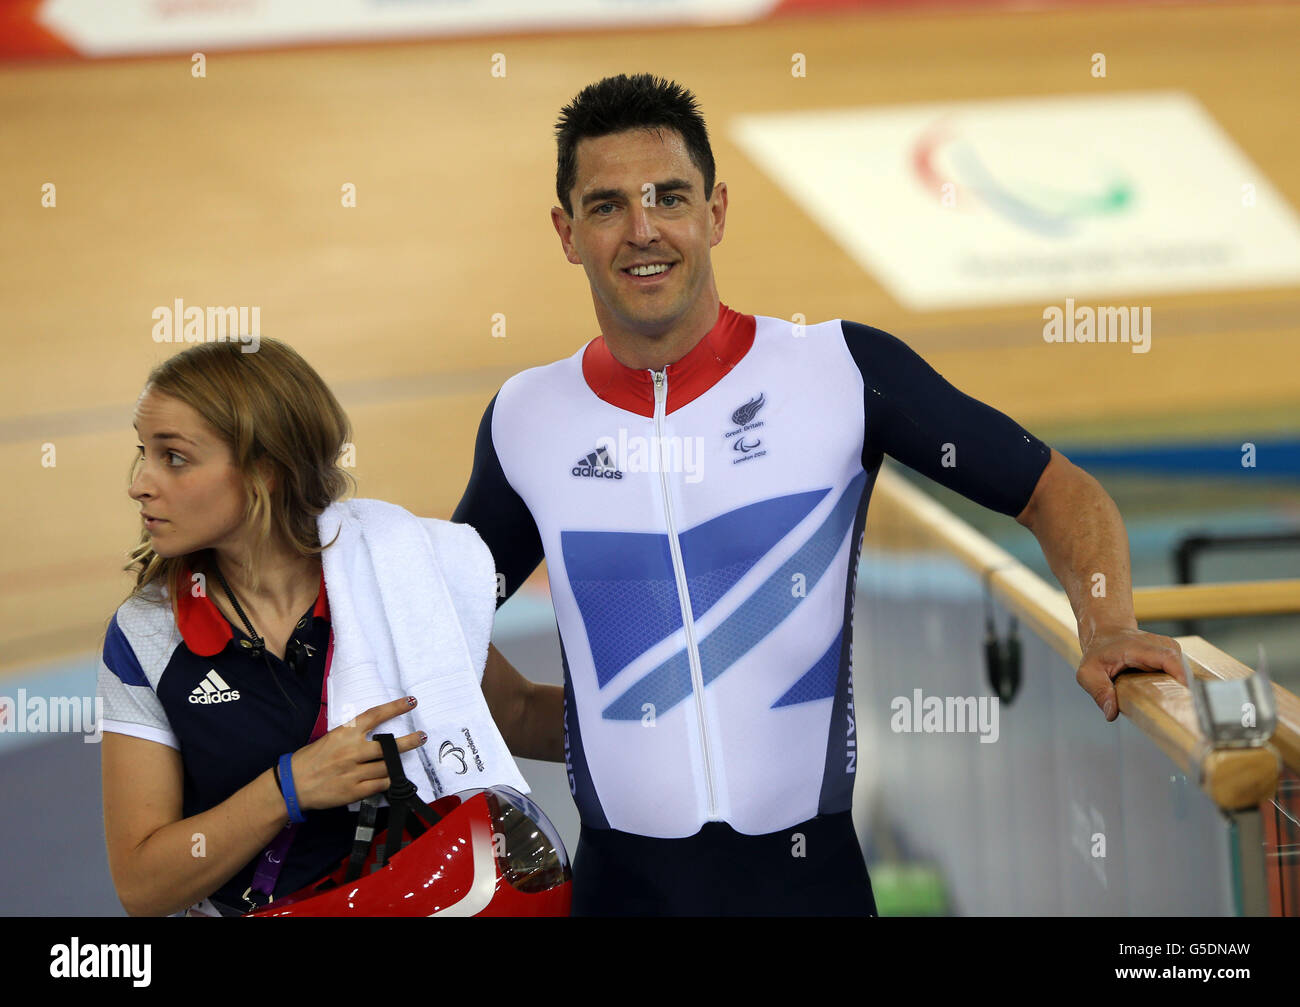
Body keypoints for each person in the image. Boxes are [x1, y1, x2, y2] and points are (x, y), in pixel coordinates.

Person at [451, 73, 1189, 916]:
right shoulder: (526, 419)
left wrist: (1110, 624)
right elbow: (438, 623)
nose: (643, 230)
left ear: (716, 212)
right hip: (622, 891)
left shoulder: (841, 370)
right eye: (607, 205)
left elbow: (1058, 492)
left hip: (812, 885)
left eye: (669, 198)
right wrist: (554, 721)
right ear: (566, 231)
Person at [100, 338, 563, 917]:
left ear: (264, 470)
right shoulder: (146, 633)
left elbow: (517, 714)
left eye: (173, 457)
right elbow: (142, 886)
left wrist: (663, 725)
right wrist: (287, 789)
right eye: (143, 452)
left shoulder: (387, 575)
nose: (139, 482)